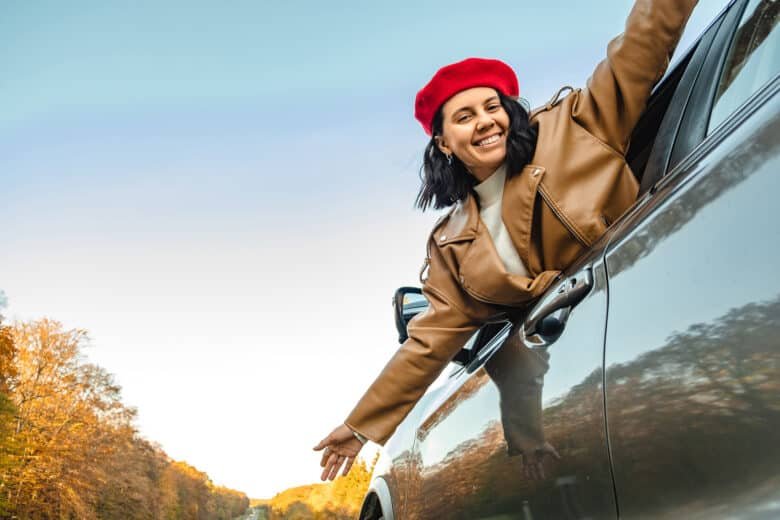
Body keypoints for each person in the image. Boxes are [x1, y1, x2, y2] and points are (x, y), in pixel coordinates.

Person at [314, 0, 699, 482]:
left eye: (493, 106)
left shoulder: (577, 126)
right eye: (465, 116)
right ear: (443, 142)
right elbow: (434, 344)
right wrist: (361, 425)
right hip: (597, 363)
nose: (485, 121)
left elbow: (642, 46)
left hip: (666, 294)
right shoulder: (451, 247)